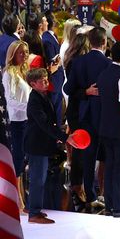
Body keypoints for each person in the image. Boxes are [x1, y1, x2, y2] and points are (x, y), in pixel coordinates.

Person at [64, 27, 111, 212]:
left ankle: (90, 195)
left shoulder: (79, 62)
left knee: (87, 156)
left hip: (85, 116)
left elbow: (68, 90)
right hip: (105, 116)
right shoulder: (109, 64)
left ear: (90, 42)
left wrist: (84, 92)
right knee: (106, 158)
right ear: (104, 42)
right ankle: (103, 195)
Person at [24, 68, 74, 224]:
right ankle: (33, 213)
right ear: (33, 84)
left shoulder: (42, 96)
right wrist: (64, 137)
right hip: (36, 145)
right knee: (37, 179)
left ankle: (35, 208)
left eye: (46, 79)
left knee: (40, 178)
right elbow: (44, 124)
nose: (46, 82)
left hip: (41, 144)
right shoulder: (34, 100)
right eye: (42, 80)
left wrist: (58, 135)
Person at [96, 41, 120, 218]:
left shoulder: (103, 75)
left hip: (104, 127)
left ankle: (110, 203)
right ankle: (118, 205)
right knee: (119, 166)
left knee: (110, 165)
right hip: (119, 128)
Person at [62, 31, 89, 210]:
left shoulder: (73, 62)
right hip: (77, 109)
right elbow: (70, 88)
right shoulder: (76, 64)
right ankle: (76, 186)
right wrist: (86, 92)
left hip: (76, 109)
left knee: (79, 150)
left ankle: (77, 185)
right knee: (79, 150)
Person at [3, 40, 30, 210]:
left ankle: (20, 198)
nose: (24, 55)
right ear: (13, 54)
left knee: (22, 159)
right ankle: (16, 200)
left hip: (25, 120)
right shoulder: (9, 74)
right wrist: (30, 106)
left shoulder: (23, 72)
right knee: (17, 159)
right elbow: (10, 100)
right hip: (16, 121)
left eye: (26, 52)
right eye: (21, 52)